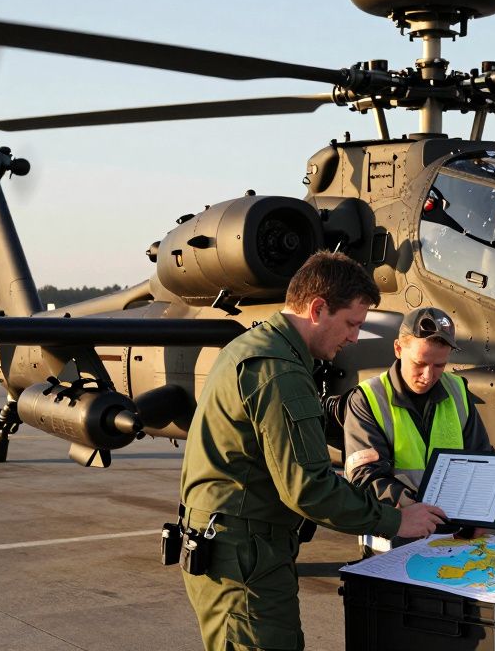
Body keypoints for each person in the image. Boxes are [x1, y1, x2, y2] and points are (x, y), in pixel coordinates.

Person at [179, 251, 447, 651]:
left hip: (243, 551)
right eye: (352, 323)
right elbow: (308, 487)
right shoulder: (280, 371)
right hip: (245, 562)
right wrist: (394, 521)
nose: (355, 337)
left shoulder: (258, 348)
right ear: (318, 308)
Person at [342, 307, 492, 547]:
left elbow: (482, 459)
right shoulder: (367, 397)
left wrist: (484, 511)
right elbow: (364, 476)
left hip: (451, 537)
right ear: (398, 349)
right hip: (393, 535)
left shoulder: (458, 391)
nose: (428, 375)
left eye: (440, 366)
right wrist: (413, 506)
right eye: (419, 363)